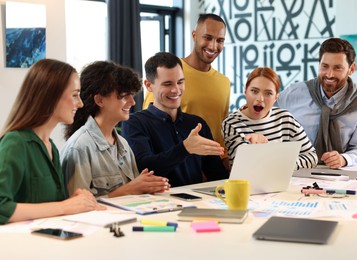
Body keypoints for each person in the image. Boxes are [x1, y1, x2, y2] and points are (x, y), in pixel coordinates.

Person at [0, 59, 104, 225]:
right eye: (75, 95)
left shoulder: (51, 148)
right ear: (51, 96)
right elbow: (1, 207)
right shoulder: (15, 143)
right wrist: (65, 206)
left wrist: (75, 201)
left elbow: (47, 205)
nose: (81, 103)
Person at [60, 61, 170, 198]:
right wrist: (129, 189)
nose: (132, 102)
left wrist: (145, 186)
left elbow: (134, 194)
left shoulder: (123, 144)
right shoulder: (79, 148)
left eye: (131, 95)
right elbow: (76, 207)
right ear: (99, 100)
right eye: (124, 96)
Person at [122, 52, 229, 187]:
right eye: (167, 84)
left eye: (180, 82)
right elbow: (144, 168)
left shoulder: (197, 124)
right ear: (149, 85)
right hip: (156, 204)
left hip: (197, 203)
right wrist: (185, 148)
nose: (176, 90)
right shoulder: (134, 123)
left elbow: (218, 176)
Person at [141, 13, 230, 168]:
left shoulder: (224, 82)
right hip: (173, 170)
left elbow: (219, 132)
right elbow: (152, 124)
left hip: (210, 173)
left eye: (219, 40)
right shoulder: (169, 75)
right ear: (194, 35)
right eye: (207, 37)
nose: (213, 46)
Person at [276, 38, 357, 168]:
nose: (329, 74)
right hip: (294, 169)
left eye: (338, 68)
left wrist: (344, 159)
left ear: (351, 69)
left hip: (339, 176)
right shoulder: (294, 93)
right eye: (325, 66)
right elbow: (267, 115)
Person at [222, 67, 318, 170]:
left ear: (276, 97)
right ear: (245, 91)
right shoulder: (231, 124)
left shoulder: (286, 119)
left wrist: (284, 163)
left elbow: (312, 157)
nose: (260, 99)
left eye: (268, 93)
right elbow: (241, 167)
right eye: (254, 91)